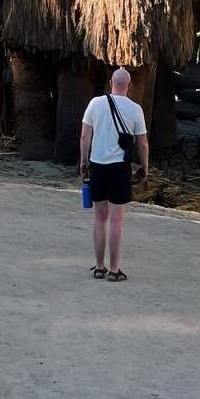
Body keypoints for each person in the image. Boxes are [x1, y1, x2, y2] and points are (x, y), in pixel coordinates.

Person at [78, 67, 148, 281]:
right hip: (120, 168)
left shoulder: (95, 103)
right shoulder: (135, 109)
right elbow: (143, 142)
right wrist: (145, 167)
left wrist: (84, 161)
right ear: (130, 86)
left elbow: (84, 136)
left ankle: (99, 266)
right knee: (116, 221)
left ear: (110, 83)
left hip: (98, 165)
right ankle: (114, 269)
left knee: (100, 218)